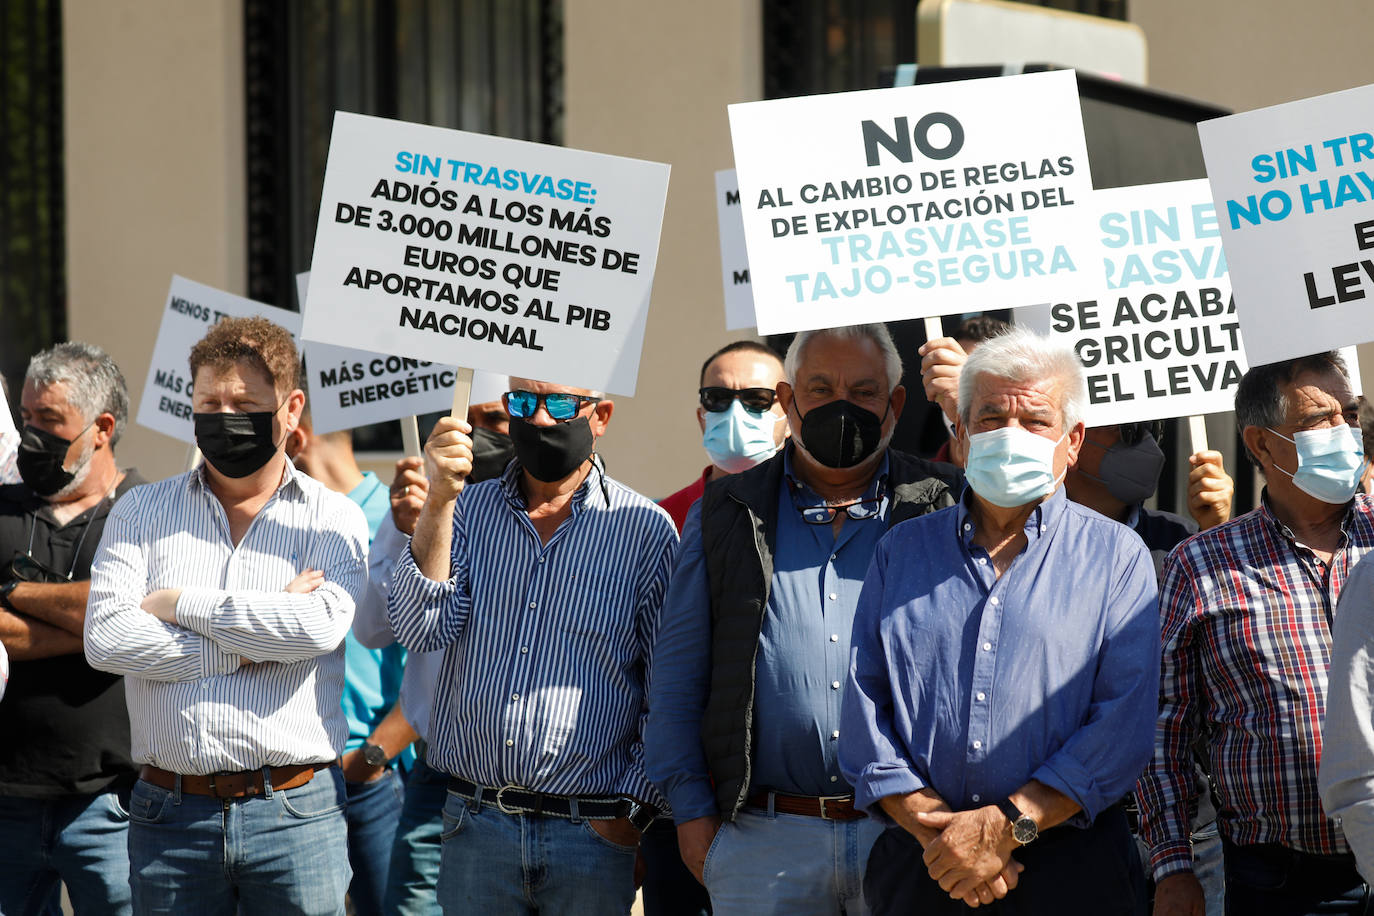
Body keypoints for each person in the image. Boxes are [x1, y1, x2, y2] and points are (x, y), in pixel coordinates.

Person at [840, 327, 1158, 915]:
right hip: (923, 864)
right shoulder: (900, 552)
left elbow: (1123, 725)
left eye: (1036, 421)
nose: (1011, 435)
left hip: (1072, 870)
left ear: (1073, 440)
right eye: (989, 418)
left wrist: (1008, 828)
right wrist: (940, 834)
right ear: (958, 434)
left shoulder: (1118, 557)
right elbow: (865, 702)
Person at [646, 323, 961, 916]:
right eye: (819, 389)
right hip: (765, 846)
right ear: (788, 402)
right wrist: (693, 821)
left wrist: (963, 415)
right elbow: (677, 680)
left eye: (864, 391)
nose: (842, 405)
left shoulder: (943, 500)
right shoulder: (725, 513)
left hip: (911, 839)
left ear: (896, 406)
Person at [85, 316, 368, 915]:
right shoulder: (139, 512)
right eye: (209, 402)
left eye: (244, 403)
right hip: (169, 815)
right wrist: (247, 642)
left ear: (290, 410)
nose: (224, 416)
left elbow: (317, 627)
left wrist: (178, 605)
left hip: (295, 813)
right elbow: (107, 640)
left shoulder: (332, 517)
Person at [387, 378, 677, 914]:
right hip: (475, 824)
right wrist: (439, 502)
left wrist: (629, 817)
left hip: (590, 834)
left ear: (601, 415)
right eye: (523, 402)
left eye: (561, 404)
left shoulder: (644, 530)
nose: (540, 419)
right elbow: (418, 627)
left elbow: (666, 690)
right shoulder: (465, 512)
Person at [1137, 351, 1374, 916]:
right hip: (1281, 882)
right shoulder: (1202, 564)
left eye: (1348, 413)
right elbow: (1161, 727)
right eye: (1320, 420)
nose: (1342, 431)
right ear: (1262, 445)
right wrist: (1173, 865)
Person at [352, 415, 515, 916]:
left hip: (531, 784)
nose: (484, 430)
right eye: (477, 417)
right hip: (438, 778)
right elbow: (373, 628)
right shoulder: (423, 499)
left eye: (502, 417)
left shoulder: (555, 513)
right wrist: (413, 531)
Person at [0, 342, 143, 915]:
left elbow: (133, 612)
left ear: (102, 428)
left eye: (50, 421)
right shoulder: (3, 509)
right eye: (27, 417)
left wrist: (13, 591)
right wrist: (106, 625)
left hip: (111, 807)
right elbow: (117, 617)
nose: (31, 434)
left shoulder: (146, 512)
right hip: (7, 802)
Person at [286, 386, 417, 916]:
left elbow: (434, 668)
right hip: (295, 783)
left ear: (296, 438)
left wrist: (369, 759)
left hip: (372, 784)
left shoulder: (399, 521)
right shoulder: (281, 525)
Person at [659, 340, 789, 533]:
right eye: (717, 398)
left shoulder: (822, 516)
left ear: (790, 418)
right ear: (701, 418)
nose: (735, 412)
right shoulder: (664, 520)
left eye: (758, 399)